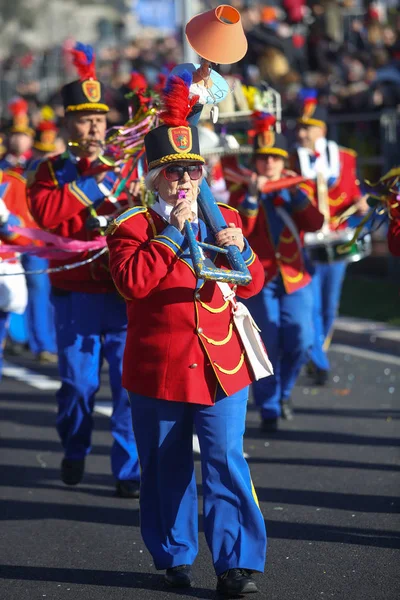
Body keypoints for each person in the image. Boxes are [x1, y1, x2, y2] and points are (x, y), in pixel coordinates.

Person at [107, 74, 267, 596]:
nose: (183, 182)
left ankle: (236, 562)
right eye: (173, 173)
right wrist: (174, 233)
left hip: (223, 365)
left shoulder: (224, 216)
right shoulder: (132, 226)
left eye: (192, 171)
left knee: (226, 461)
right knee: (164, 467)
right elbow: (133, 282)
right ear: (154, 178)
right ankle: (174, 553)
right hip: (160, 368)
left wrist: (239, 248)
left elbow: (255, 280)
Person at [27, 43, 140, 498]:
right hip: (75, 293)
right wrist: (97, 182)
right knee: (77, 385)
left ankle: (127, 470)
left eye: (100, 118)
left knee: (130, 388)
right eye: (84, 118)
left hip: (123, 290)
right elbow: (49, 214)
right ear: (68, 123)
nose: (95, 126)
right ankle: (74, 447)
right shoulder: (50, 169)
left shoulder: (128, 166)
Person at [230, 112, 324, 431]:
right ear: (254, 161)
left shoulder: (294, 188)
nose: (269, 163)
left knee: (301, 338)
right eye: (263, 157)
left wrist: (295, 192)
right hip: (261, 278)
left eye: (275, 158)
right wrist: (254, 196)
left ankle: (284, 394)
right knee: (266, 343)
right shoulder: (240, 193)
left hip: (295, 275)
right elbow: (241, 229)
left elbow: (315, 223)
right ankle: (269, 406)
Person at [291, 92, 366, 385]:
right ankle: (318, 360)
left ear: (321, 129)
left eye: (306, 127)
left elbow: (354, 192)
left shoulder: (346, 158)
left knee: (329, 302)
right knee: (308, 300)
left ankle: (318, 351)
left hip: (339, 240)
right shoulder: (292, 161)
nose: (300, 133)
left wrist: (361, 202)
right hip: (305, 242)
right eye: (299, 126)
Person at [0, 98, 34, 173]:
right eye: (14, 134)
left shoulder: (34, 162)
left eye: (23, 135)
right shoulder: (3, 161)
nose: (18, 139)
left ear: (31, 138)